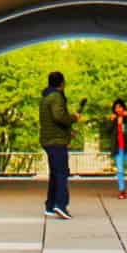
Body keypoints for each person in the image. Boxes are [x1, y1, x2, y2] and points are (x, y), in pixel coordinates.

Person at [39, 70, 80, 219]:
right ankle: (60, 205)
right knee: (62, 173)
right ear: (62, 83)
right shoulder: (56, 97)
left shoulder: (45, 98)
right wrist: (73, 118)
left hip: (48, 140)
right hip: (56, 141)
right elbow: (59, 116)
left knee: (55, 174)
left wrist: (68, 131)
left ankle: (50, 205)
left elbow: (52, 120)